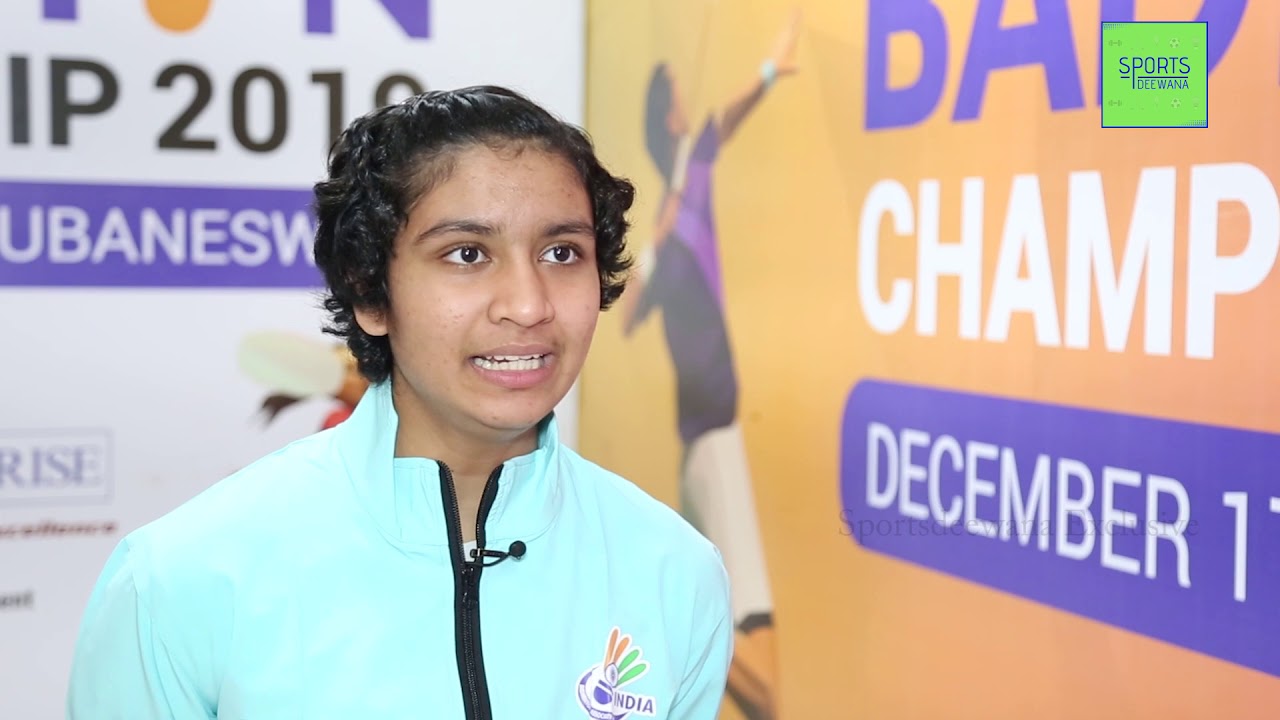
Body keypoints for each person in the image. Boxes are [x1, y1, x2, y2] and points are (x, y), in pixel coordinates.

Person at [66, 86, 733, 719]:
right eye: (467, 254)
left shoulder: (672, 571)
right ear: (370, 292)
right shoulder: (183, 577)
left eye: (562, 252)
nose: (529, 305)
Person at [620, 10, 802, 720]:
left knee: (736, 626)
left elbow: (727, 117)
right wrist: (657, 241)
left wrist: (770, 71)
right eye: (676, 90)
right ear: (666, 114)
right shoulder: (665, 217)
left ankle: (692, 653)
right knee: (731, 632)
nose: (687, 98)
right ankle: (686, 654)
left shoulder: (694, 164)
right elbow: (627, 314)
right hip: (703, 435)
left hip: (711, 424)